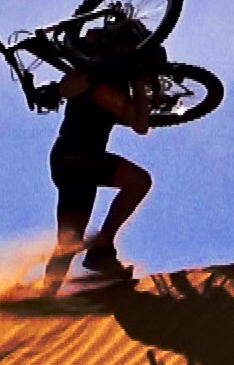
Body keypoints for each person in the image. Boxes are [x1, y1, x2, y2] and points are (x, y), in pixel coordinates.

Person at [41, 24, 157, 291]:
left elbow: (141, 124)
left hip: (78, 163)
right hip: (72, 155)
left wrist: (138, 81)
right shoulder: (91, 73)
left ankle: (45, 295)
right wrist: (88, 64)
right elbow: (67, 88)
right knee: (139, 181)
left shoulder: (122, 88)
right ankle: (101, 249)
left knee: (69, 243)